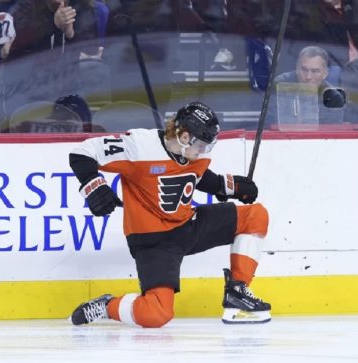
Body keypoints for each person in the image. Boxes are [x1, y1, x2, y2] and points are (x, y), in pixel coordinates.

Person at [68, 101, 271, 327]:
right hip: (154, 242)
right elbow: (82, 152)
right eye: (202, 145)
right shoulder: (138, 146)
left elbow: (195, 175)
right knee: (156, 314)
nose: (204, 151)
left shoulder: (192, 154)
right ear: (184, 137)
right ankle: (107, 306)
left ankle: (237, 292)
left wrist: (229, 186)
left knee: (255, 215)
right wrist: (93, 185)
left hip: (188, 226)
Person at [269, 45, 344, 127]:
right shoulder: (279, 85)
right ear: (297, 69)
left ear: (325, 73)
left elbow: (332, 134)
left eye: (315, 71)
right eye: (304, 70)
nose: (308, 77)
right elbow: (270, 123)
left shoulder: (334, 98)